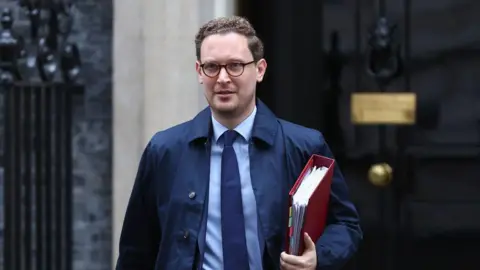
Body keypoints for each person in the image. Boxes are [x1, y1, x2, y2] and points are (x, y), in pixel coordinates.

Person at [116, 16, 362, 270]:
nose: (222, 78)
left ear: (260, 69)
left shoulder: (304, 145)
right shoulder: (165, 150)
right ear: (199, 72)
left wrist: (318, 257)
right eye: (212, 67)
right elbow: (137, 248)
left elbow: (345, 224)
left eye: (235, 66)